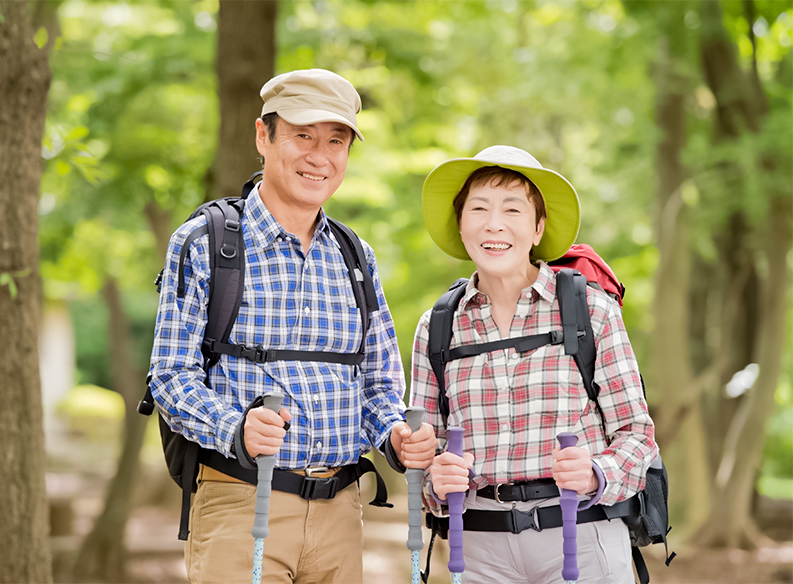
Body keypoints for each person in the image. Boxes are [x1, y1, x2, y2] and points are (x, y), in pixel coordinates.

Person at [149, 69, 437, 584]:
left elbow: (378, 385)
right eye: (302, 135)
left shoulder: (355, 256)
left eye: (336, 140)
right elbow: (170, 377)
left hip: (341, 513)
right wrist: (234, 428)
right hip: (241, 503)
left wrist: (396, 435)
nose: (319, 156)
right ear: (264, 136)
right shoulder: (206, 244)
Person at [410, 145, 658, 583]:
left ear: (538, 226)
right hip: (477, 548)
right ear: (461, 224)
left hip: (581, 535)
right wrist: (434, 477)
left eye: (513, 209)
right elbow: (423, 455)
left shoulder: (589, 311)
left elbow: (637, 435)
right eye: (479, 209)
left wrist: (597, 472)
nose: (494, 224)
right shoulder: (438, 327)